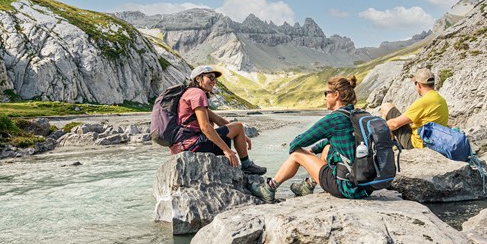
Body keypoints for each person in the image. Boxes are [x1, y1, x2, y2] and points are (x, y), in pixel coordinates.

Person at [250, 75, 371, 203]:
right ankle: (307, 186)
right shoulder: (356, 115)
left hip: (346, 188)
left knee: (297, 154)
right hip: (364, 186)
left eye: (326, 93)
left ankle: (269, 188)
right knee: (328, 148)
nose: (325, 97)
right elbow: (333, 141)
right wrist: (314, 149)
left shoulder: (335, 119)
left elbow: (298, 142)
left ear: (336, 95)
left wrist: (301, 152)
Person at [170, 65, 266, 175]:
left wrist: (242, 136)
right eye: (210, 77)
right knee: (238, 126)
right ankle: (247, 165)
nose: (214, 81)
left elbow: (218, 120)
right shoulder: (198, 94)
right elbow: (205, 127)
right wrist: (227, 150)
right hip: (192, 146)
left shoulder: (190, 93)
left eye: (215, 78)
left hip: (183, 145)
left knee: (234, 129)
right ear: (198, 79)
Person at [380, 68, 449, 149]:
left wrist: (380, 126)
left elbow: (395, 124)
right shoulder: (441, 99)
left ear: (419, 85)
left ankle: (390, 144)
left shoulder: (423, 102)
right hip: (434, 142)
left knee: (386, 107)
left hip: (415, 144)